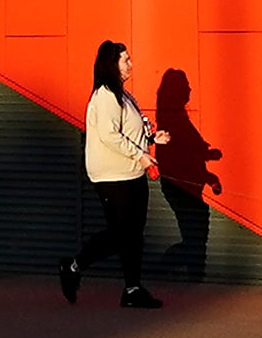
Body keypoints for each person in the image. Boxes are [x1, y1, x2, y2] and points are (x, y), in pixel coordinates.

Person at [60, 37, 161, 306]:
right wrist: (140, 155)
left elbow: (130, 129)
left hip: (132, 173)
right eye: (126, 59)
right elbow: (108, 135)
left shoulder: (124, 94)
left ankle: (132, 290)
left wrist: (151, 139)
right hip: (112, 176)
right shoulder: (105, 95)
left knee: (133, 233)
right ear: (112, 64)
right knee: (120, 233)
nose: (131, 64)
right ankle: (73, 266)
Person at [152, 62, 222, 284]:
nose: (190, 90)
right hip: (180, 187)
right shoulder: (173, 120)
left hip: (185, 186)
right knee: (196, 236)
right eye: (186, 86)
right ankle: (168, 270)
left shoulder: (176, 118)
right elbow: (180, 155)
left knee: (196, 234)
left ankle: (193, 277)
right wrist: (206, 165)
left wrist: (207, 158)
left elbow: (188, 152)